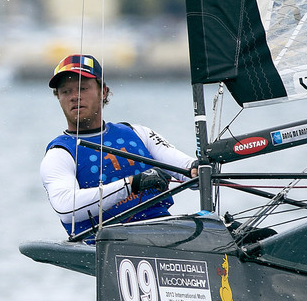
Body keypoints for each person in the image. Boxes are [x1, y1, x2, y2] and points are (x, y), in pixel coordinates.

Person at [40, 54, 195, 239]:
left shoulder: (139, 133)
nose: (74, 97)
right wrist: (130, 185)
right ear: (58, 98)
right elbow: (66, 208)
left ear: (103, 92)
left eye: (82, 88)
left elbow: (188, 170)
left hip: (164, 232)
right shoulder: (59, 153)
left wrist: (198, 168)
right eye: (66, 91)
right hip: (108, 243)